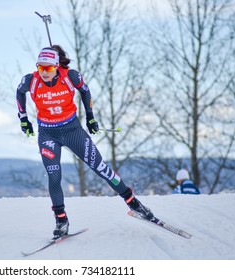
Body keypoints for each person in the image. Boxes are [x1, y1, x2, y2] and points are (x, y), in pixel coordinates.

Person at [16, 45, 155, 238]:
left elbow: (85, 91)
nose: (44, 72)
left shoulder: (70, 76)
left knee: (102, 169)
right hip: (48, 135)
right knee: (54, 177)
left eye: (48, 68)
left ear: (57, 66)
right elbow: (19, 92)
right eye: (41, 68)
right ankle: (61, 221)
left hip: (73, 131)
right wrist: (23, 118)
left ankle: (134, 203)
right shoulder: (31, 81)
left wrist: (90, 117)